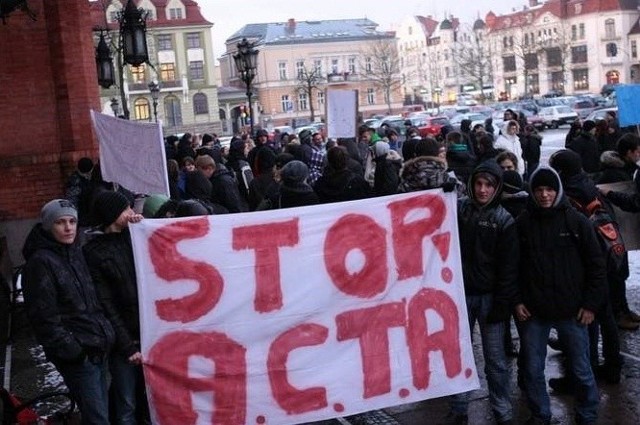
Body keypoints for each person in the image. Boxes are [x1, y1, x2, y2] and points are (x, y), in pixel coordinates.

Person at [515, 167, 605, 425]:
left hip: (573, 311)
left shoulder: (577, 221)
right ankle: (540, 414)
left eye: (549, 189)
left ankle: (587, 415)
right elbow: (511, 266)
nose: (544, 195)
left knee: (581, 369)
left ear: (558, 190)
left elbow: (596, 265)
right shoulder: (523, 223)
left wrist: (590, 305)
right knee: (532, 370)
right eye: (539, 190)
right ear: (532, 192)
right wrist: (517, 301)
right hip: (534, 312)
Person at [22, 199, 115, 425]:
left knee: (101, 413)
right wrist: (74, 351)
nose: (68, 227)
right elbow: (44, 317)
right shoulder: (41, 263)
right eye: (60, 222)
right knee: (98, 418)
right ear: (48, 226)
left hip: (97, 346)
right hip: (79, 355)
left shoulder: (74, 252)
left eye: (72, 221)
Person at [448, 160, 518, 425]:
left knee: (496, 360)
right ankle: (458, 408)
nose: (482, 190)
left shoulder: (503, 220)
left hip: (490, 297)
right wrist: (441, 195)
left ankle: (502, 410)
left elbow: (508, 267)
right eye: (478, 184)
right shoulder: (459, 209)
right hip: (460, 294)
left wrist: (503, 301)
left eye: (488, 185)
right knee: (458, 354)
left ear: (497, 187)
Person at [83, 192, 150, 425]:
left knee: (150, 397)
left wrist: (144, 228)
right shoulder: (94, 253)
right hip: (124, 343)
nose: (131, 213)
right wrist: (127, 346)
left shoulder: (132, 237)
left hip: (148, 334)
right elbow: (106, 305)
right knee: (127, 402)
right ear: (113, 215)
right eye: (126, 209)